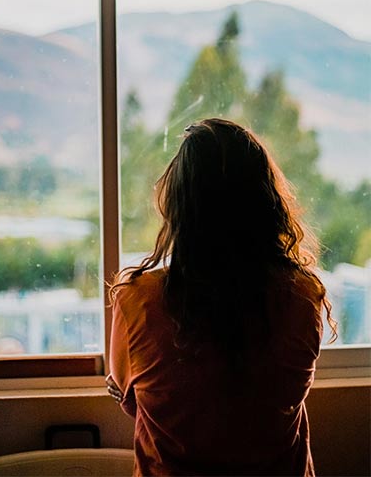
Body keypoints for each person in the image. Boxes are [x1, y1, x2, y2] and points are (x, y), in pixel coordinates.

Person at [107, 118, 337, 477]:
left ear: (180, 208)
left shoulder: (137, 301)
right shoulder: (304, 296)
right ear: (266, 204)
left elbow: (131, 399)